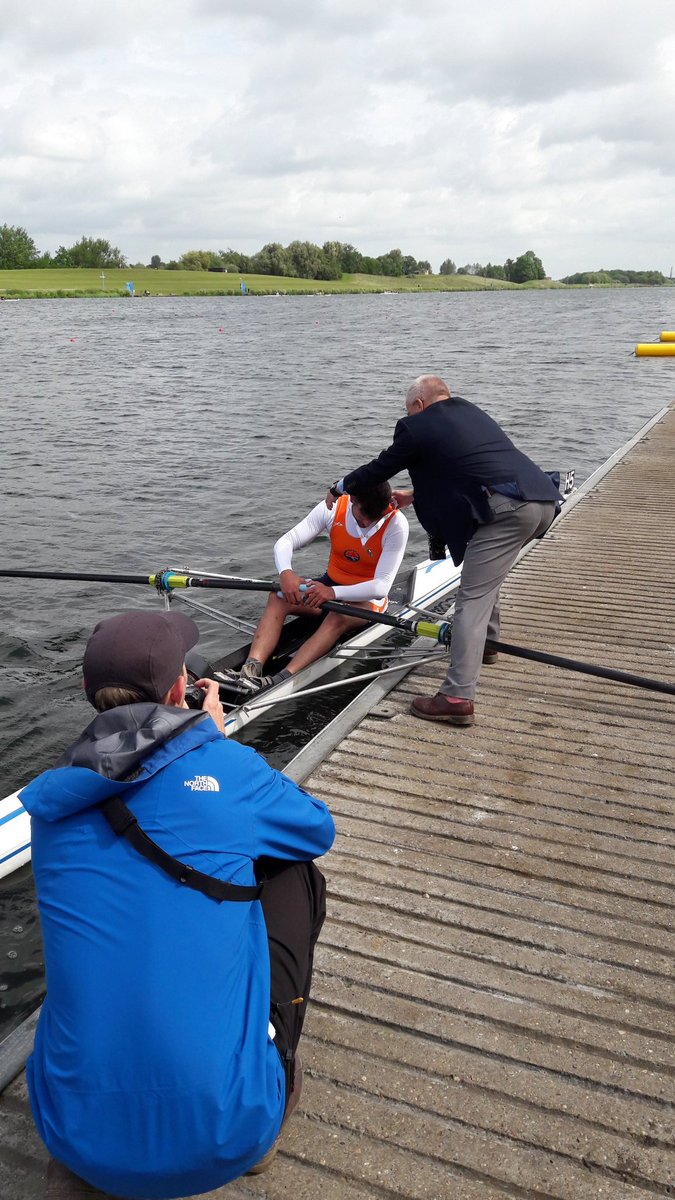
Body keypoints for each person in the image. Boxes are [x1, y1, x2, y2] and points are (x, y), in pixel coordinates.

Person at [20, 609, 335, 1198]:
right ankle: (273, 1085)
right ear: (178, 689)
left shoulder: (52, 803)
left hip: (71, 1135)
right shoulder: (224, 764)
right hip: (224, 1135)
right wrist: (211, 740)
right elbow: (318, 828)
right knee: (292, 868)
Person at [327, 375, 560, 726]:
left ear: (419, 405)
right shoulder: (470, 413)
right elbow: (471, 469)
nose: (409, 416)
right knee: (483, 578)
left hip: (508, 511)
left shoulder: (418, 426)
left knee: (471, 599)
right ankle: (487, 645)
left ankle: (457, 697)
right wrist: (414, 494)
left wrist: (341, 486)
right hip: (540, 502)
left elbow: (380, 468)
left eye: (410, 410)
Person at [233, 481, 409, 692]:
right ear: (352, 499)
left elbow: (381, 587)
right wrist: (286, 572)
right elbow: (286, 541)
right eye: (363, 518)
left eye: (374, 518)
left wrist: (332, 593)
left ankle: (280, 680)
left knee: (337, 616)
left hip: (368, 599)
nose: (368, 524)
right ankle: (250, 670)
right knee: (278, 597)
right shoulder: (333, 507)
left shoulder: (397, 524)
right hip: (330, 587)